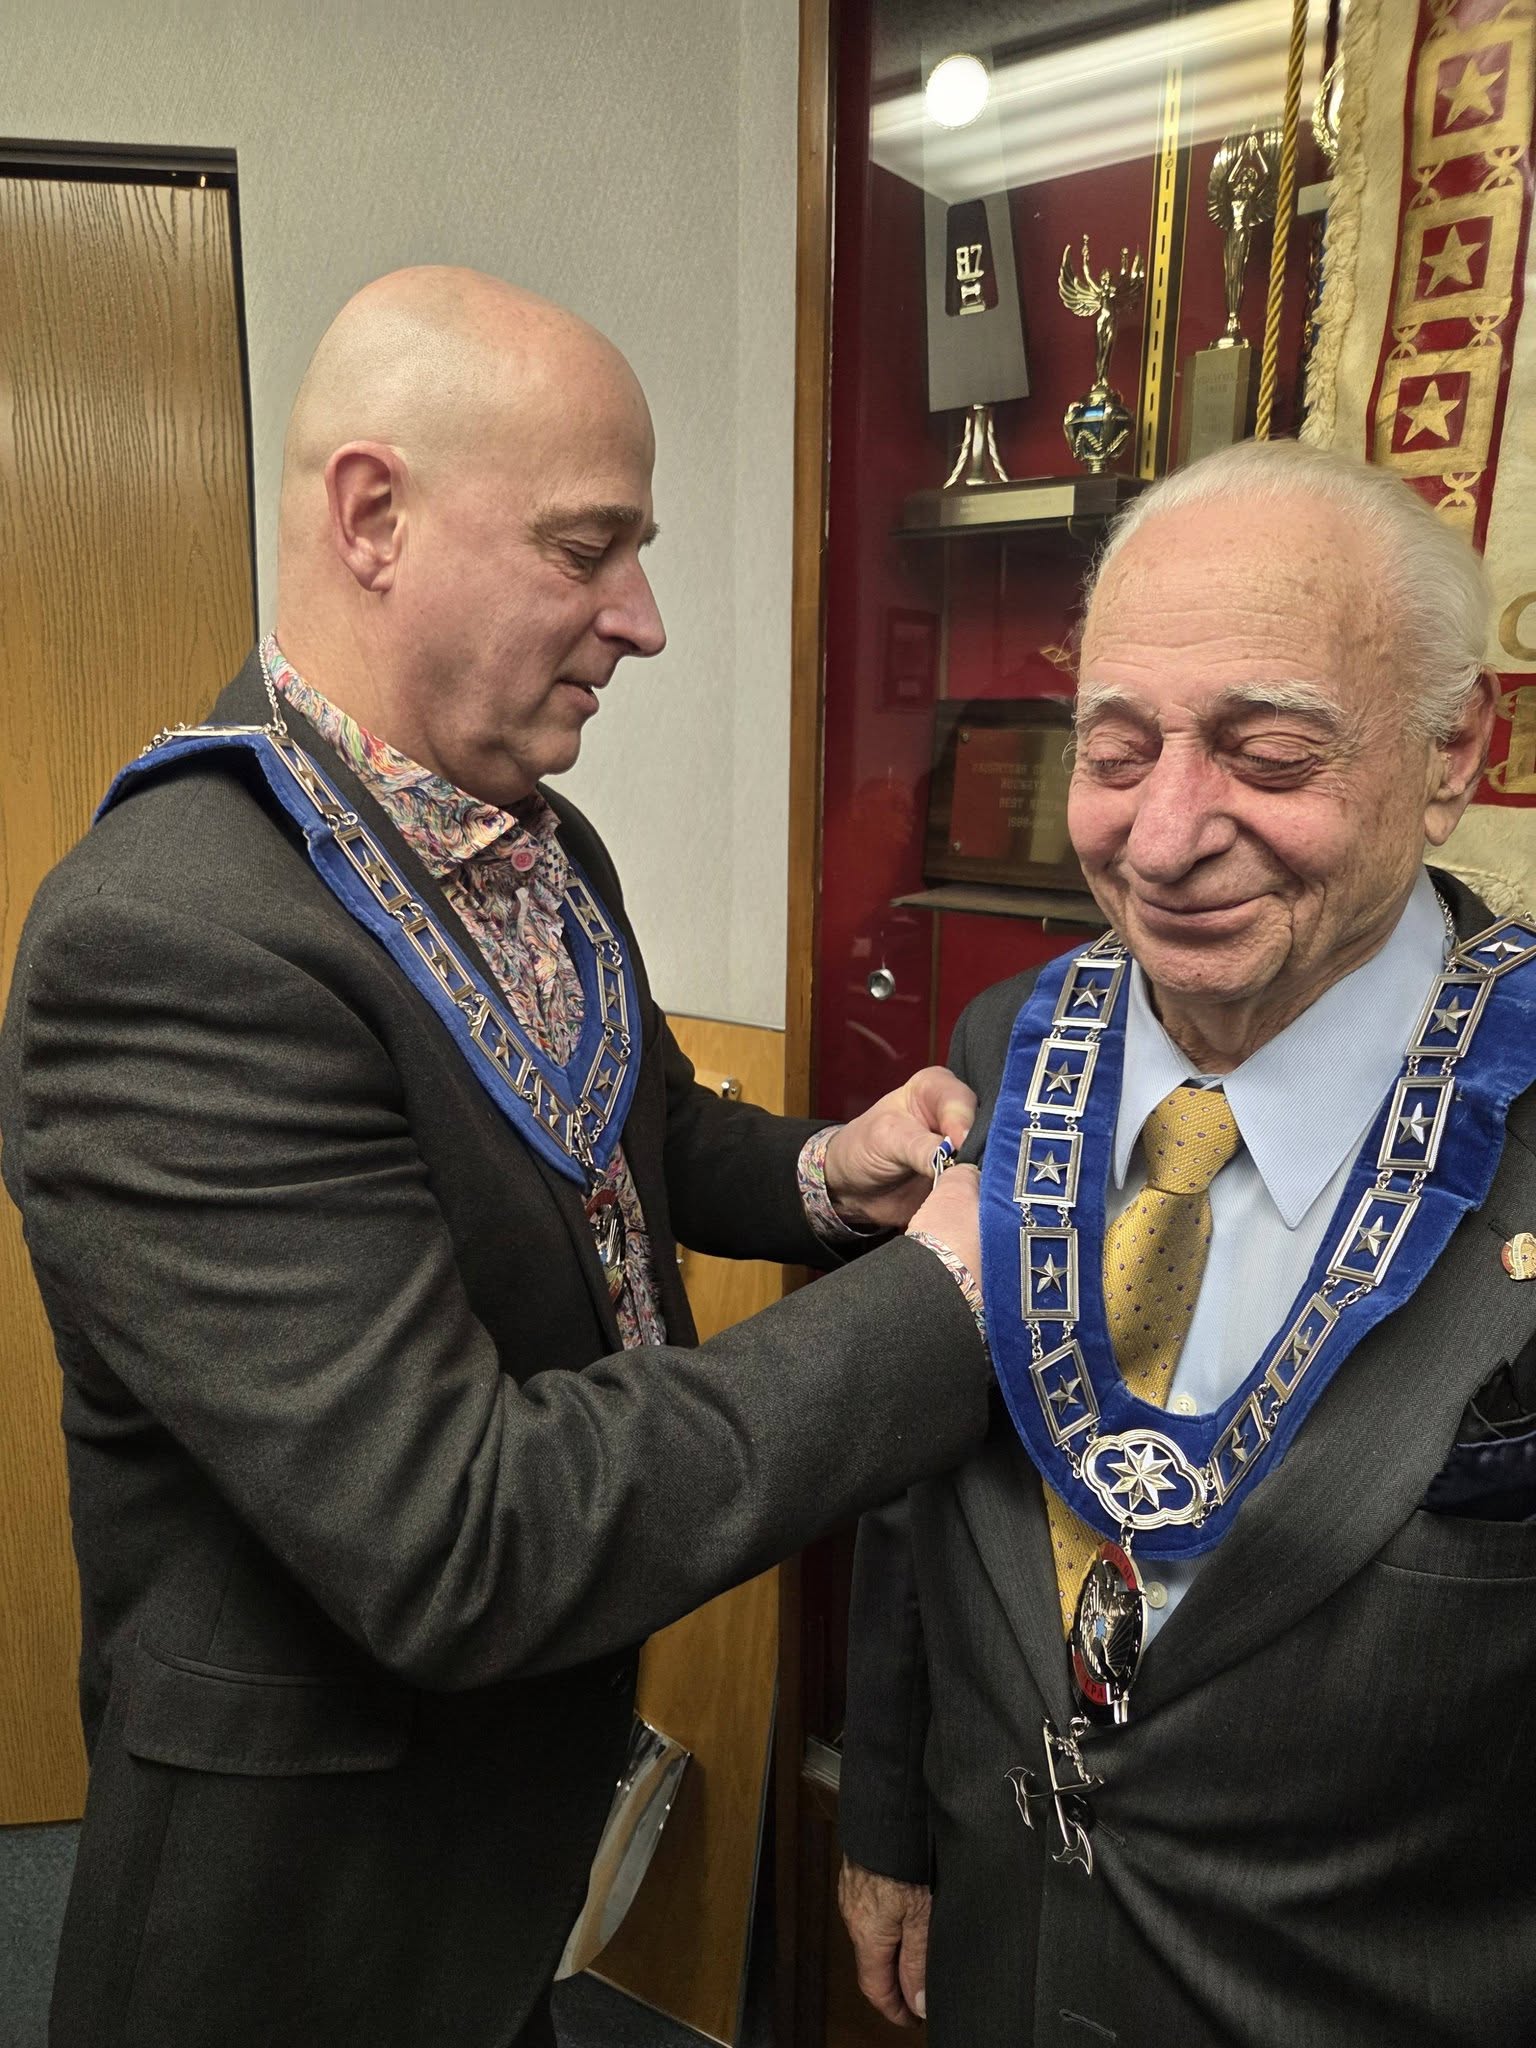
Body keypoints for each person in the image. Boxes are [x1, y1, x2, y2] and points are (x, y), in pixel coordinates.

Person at [0, 266, 991, 2048]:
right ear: (373, 518)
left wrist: (826, 1175)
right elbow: (456, 1535)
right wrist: (942, 1302)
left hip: (515, 1838)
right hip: (312, 1912)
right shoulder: (172, 941)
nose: (645, 621)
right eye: (586, 549)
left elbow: (626, 1124)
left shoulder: (538, 839)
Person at [838, 439, 1536, 2048]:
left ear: (1451, 755)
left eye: (1268, 755)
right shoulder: (1012, 1041)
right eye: (1114, 749)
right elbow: (923, 1481)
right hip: (1000, 1945)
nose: (1159, 842)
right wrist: (887, 1816)